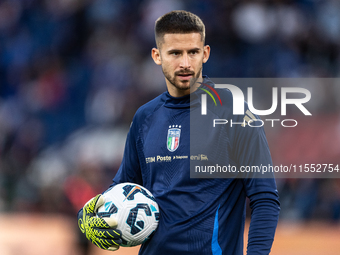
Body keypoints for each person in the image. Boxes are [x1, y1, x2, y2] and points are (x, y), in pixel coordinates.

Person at [77, 10, 280, 255]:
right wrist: (94, 212)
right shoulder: (144, 117)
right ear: (157, 55)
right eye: (175, 53)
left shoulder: (234, 114)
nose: (185, 63)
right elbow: (123, 186)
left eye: (192, 52)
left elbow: (265, 199)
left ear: (205, 53)